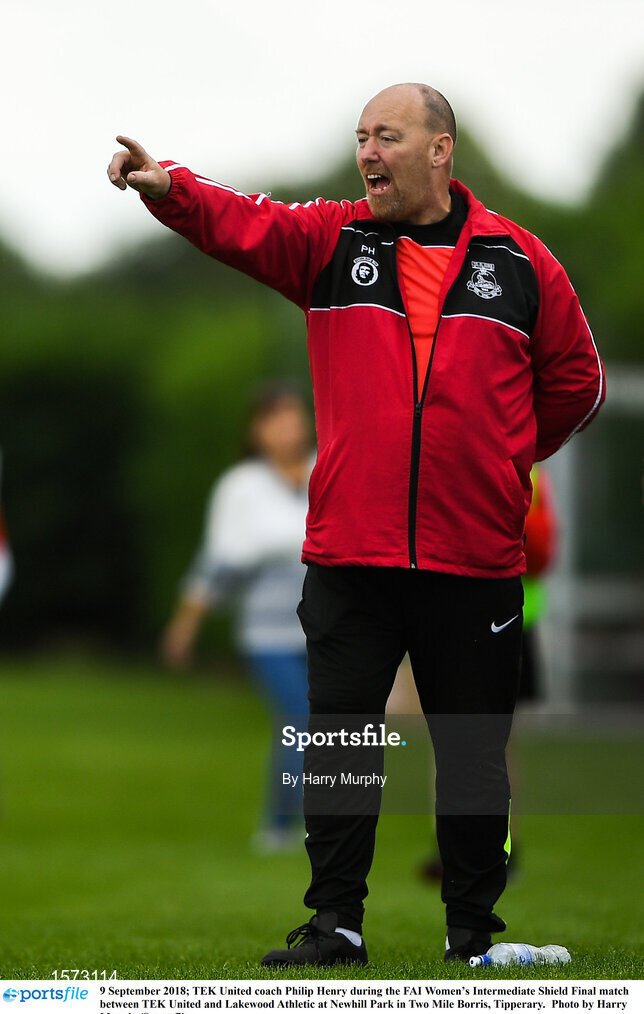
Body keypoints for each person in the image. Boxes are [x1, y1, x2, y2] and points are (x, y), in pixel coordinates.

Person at [108, 82, 605, 965]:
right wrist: (168, 187)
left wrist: (502, 456)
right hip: (352, 549)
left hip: (473, 554)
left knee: (474, 752)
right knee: (341, 742)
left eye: (388, 136)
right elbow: (242, 222)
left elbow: (579, 384)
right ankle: (334, 923)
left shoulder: (524, 264)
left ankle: (473, 938)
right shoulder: (331, 241)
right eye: (362, 137)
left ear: (440, 150)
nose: (368, 152)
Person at [161, 382, 314, 851]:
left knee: (317, 727)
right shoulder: (240, 487)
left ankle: (288, 823)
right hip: (269, 633)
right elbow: (219, 561)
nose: (287, 426)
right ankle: (290, 827)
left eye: (293, 415)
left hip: (328, 629)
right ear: (256, 431)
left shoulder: (327, 470)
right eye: (274, 418)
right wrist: (185, 625)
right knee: (300, 719)